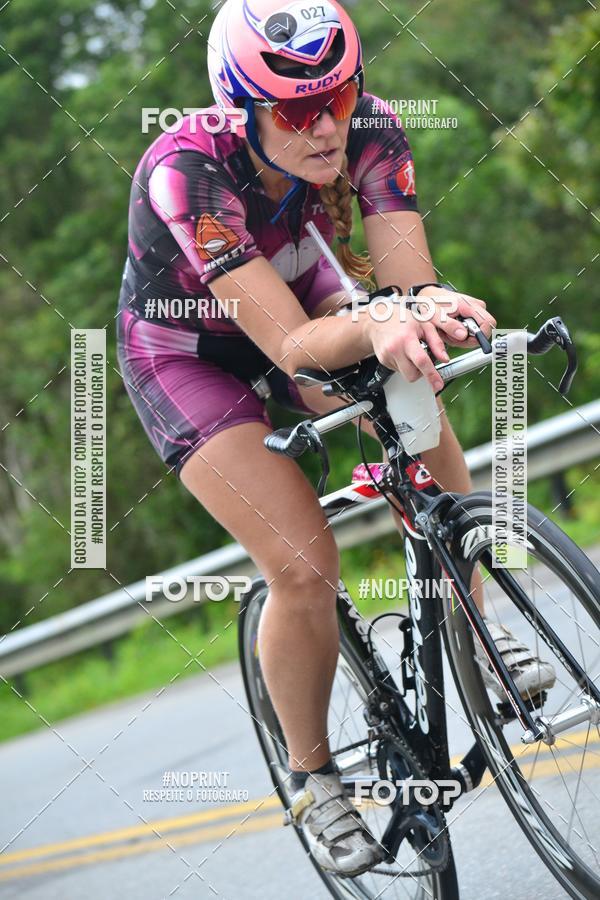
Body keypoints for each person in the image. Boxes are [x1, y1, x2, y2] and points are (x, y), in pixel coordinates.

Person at [116, 0, 555, 877]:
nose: (324, 127)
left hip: (302, 289)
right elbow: (284, 348)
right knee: (304, 565)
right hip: (190, 351)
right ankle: (314, 778)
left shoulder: (374, 130)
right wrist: (384, 321)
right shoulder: (186, 171)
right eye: (293, 110)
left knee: (410, 368)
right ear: (239, 107)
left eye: (340, 98)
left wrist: (424, 307)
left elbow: (405, 280)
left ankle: (472, 629)